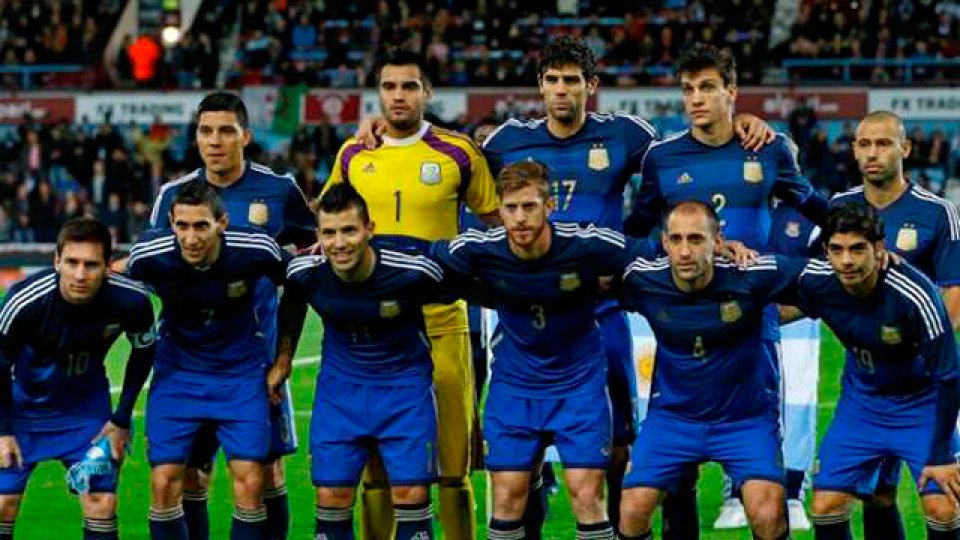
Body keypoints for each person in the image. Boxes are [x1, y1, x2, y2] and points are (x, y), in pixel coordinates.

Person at [478, 36, 775, 536]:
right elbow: (456, 168)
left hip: (601, 311)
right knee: (516, 466)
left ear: (590, 86)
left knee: (617, 447)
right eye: (552, 80)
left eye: (572, 80)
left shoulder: (626, 135)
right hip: (529, 314)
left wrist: (738, 124)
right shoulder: (506, 141)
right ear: (539, 86)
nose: (561, 91)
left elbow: (681, 165)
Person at [623, 43, 829, 531]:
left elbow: (817, 210)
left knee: (759, 480)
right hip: (686, 313)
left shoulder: (768, 148)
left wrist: (862, 232)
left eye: (708, 88)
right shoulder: (663, 158)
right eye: (688, 89)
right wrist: (681, 260)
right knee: (675, 480)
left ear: (731, 92)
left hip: (752, 324)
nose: (695, 99)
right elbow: (636, 232)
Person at [324, 48, 499, 540]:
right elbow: (328, 222)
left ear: (427, 92)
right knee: (376, 463)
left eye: (408, 86)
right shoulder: (355, 154)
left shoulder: (459, 152)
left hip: (441, 319)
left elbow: (494, 225)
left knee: (451, 460)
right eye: (389, 87)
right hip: (373, 330)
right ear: (377, 93)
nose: (397, 96)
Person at [432, 161, 656, 540]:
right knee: (507, 499)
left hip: (579, 384)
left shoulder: (585, 244)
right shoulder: (479, 248)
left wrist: (720, 247)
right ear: (498, 210)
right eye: (511, 208)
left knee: (586, 496)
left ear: (549, 206)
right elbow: (422, 260)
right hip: (515, 385)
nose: (519, 218)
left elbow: (651, 252)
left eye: (529, 206)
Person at [148, 91, 316, 540]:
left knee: (266, 472)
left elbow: (307, 269)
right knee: (188, 477)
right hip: (187, 361)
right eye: (206, 131)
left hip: (255, 361)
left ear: (246, 135)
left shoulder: (279, 190)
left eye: (226, 131)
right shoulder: (172, 197)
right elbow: (152, 265)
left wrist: (283, 359)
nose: (215, 141)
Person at [274, 183, 449, 539]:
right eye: (330, 233)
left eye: (349, 230)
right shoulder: (305, 272)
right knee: (331, 495)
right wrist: (283, 360)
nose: (339, 243)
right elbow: (291, 306)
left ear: (370, 229)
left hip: (405, 388)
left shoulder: (413, 269)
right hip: (340, 392)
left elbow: (474, 286)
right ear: (319, 234)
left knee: (411, 495)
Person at [617, 201, 798, 540]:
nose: (686, 251)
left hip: (744, 419)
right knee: (633, 508)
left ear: (718, 241)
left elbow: (824, 280)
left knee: (767, 512)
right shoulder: (641, 279)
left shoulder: (752, 275)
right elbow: (582, 269)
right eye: (678, 239)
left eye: (697, 239)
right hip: (674, 417)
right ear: (665, 242)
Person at [127, 180, 291, 539]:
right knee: (164, 482)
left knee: (251, 482)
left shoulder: (255, 248)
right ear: (170, 222)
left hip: (240, 373)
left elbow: (299, 281)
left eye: (201, 225)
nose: (190, 237)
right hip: (177, 373)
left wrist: (282, 358)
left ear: (222, 223)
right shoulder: (150, 254)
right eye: (182, 226)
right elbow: (114, 286)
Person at [830, 110, 960, 539]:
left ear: (905, 148)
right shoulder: (838, 207)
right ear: (853, 150)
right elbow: (816, 282)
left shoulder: (938, 212)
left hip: (923, 385)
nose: (872, 153)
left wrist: (897, 339)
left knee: (942, 501)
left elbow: (953, 300)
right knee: (873, 495)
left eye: (883, 143)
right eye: (864, 144)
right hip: (864, 386)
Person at [794, 204, 960, 539]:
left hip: (920, 406)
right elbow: (764, 277)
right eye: (837, 250)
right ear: (826, 251)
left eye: (858, 249)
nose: (847, 261)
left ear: (880, 248)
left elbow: (950, 375)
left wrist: (941, 453)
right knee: (826, 503)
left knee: (943, 506)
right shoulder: (817, 280)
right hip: (863, 404)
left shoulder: (915, 295)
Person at [0, 218, 155, 540]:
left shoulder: (131, 301)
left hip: (86, 411)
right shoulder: (24, 301)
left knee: (101, 501)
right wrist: (2, 431)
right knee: (3, 503)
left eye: (91, 264)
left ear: (108, 266)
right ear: (57, 261)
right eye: (71, 263)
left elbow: (144, 350)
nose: (80, 275)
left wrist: (122, 418)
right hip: (22, 409)